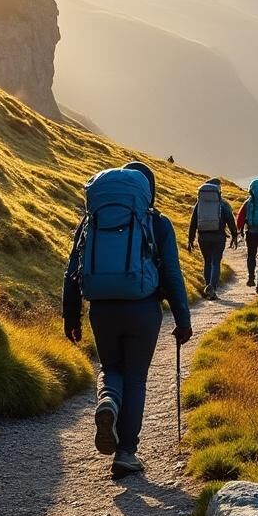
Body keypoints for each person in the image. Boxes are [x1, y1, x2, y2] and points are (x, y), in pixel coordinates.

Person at [63, 161, 192, 478]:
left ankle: (108, 401)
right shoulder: (157, 223)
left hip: (101, 309)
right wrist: (182, 319)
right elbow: (172, 275)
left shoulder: (91, 222)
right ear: (148, 191)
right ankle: (125, 454)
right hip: (142, 309)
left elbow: (72, 272)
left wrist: (71, 316)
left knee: (111, 368)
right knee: (135, 377)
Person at [186, 178, 238, 300]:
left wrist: (190, 239)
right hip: (218, 237)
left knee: (207, 262)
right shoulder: (223, 204)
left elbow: (193, 222)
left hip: (203, 237)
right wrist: (234, 235)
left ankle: (207, 286)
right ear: (218, 191)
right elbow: (230, 221)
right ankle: (212, 288)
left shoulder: (199, 205)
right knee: (216, 262)